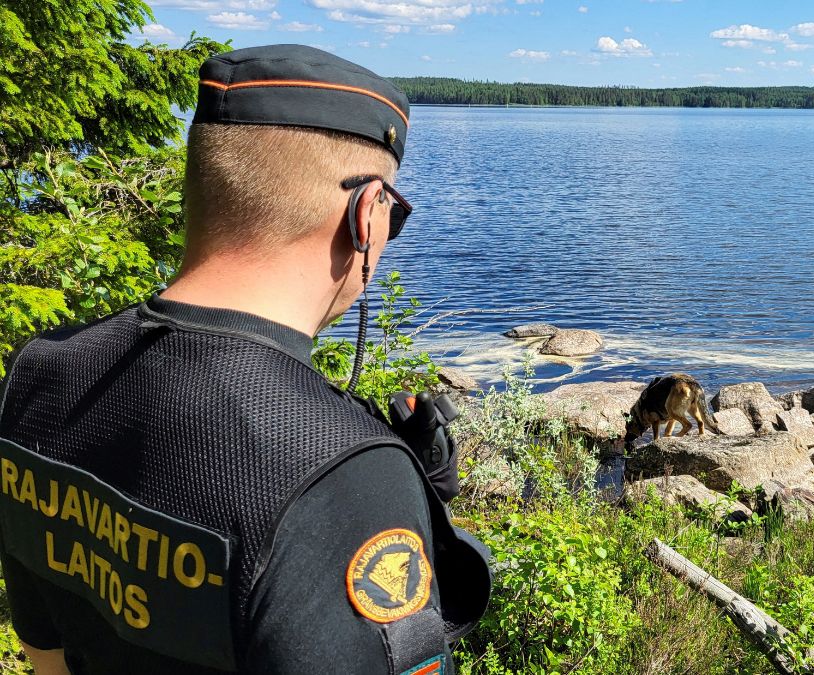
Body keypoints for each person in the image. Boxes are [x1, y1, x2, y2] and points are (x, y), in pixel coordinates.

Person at [0, 44, 490, 674]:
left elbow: (45, 655)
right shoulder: (339, 473)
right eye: (392, 220)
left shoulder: (42, 373)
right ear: (367, 214)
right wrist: (388, 491)